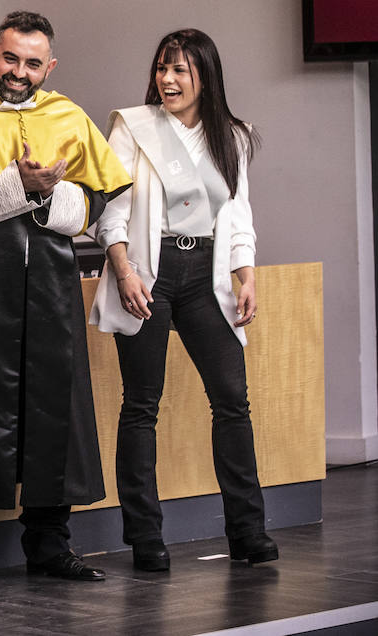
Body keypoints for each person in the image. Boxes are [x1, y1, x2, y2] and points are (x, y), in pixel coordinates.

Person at [0, 10, 131, 595]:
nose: (19, 72)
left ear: (50, 66)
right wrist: (19, 186)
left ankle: (49, 545)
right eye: (10, 58)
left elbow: (99, 200)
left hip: (52, 288)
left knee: (51, 410)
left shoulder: (67, 116)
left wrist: (48, 196)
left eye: (33, 63)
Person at [90, 29, 276, 571]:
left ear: (205, 78)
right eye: (162, 69)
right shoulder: (133, 125)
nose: (167, 80)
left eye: (180, 71)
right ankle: (146, 539)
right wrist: (123, 270)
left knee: (232, 401)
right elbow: (113, 208)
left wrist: (247, 276)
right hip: (149, 272)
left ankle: (248, 532)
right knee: (141, 404)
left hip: (208, 275)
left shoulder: (233, 137)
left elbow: (237, 213)